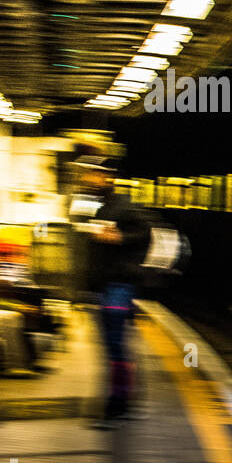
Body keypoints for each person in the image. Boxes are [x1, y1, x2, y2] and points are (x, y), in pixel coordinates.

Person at [74, 156, 152, 426]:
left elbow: (146, 233)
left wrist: (119, 237)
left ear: (107, 177)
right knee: (113, 347)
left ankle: (117, 406)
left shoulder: (125, 205)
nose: (88, 179)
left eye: (93, 175)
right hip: (106, 288)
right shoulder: (100, 207)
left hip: (120, 287)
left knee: (115, 346)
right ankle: (125, 402)